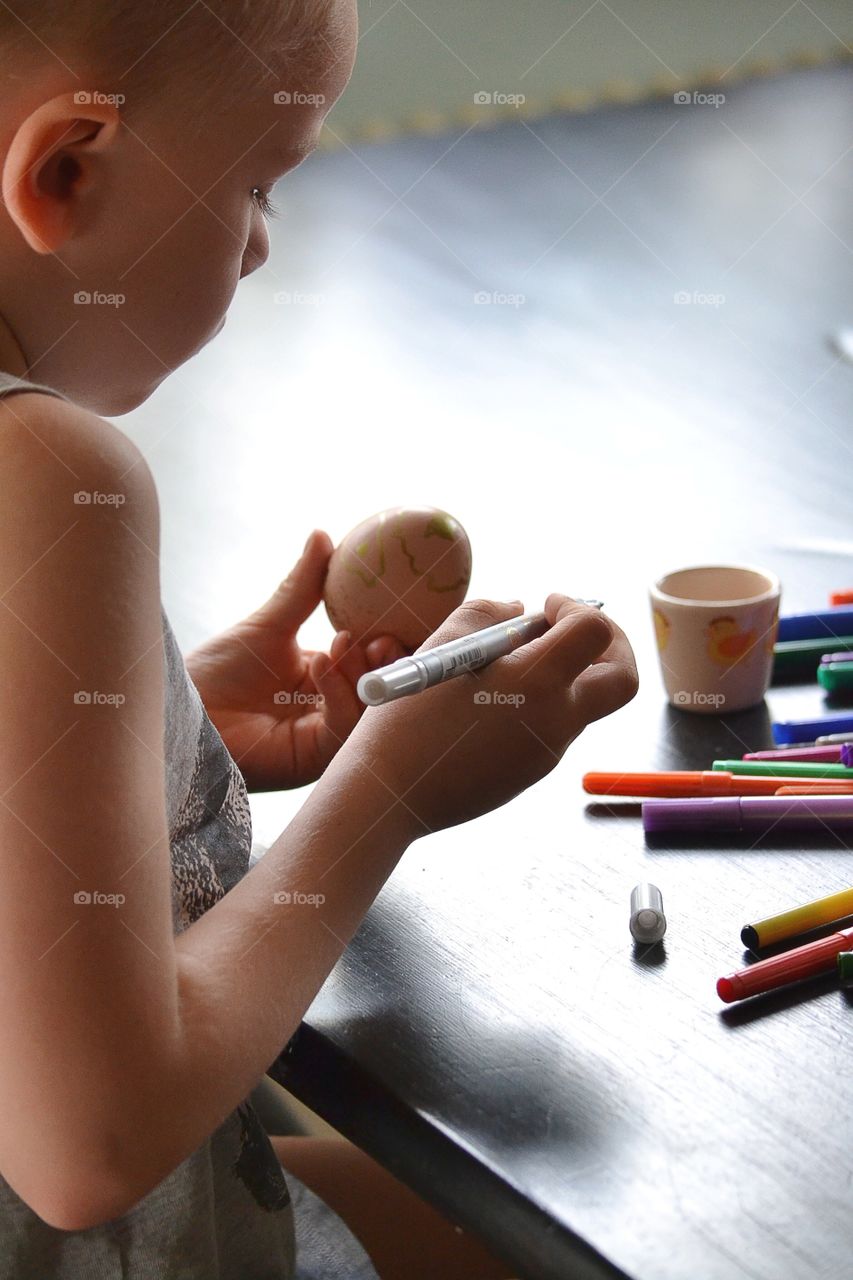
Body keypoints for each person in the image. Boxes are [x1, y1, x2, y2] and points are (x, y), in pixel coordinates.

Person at [0, 1, 640, 1276]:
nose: (254, 251)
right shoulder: (46, 473)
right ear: (66, 170)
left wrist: (162, 742)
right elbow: (89, 1143)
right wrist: (389, 786)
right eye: (260, 185)